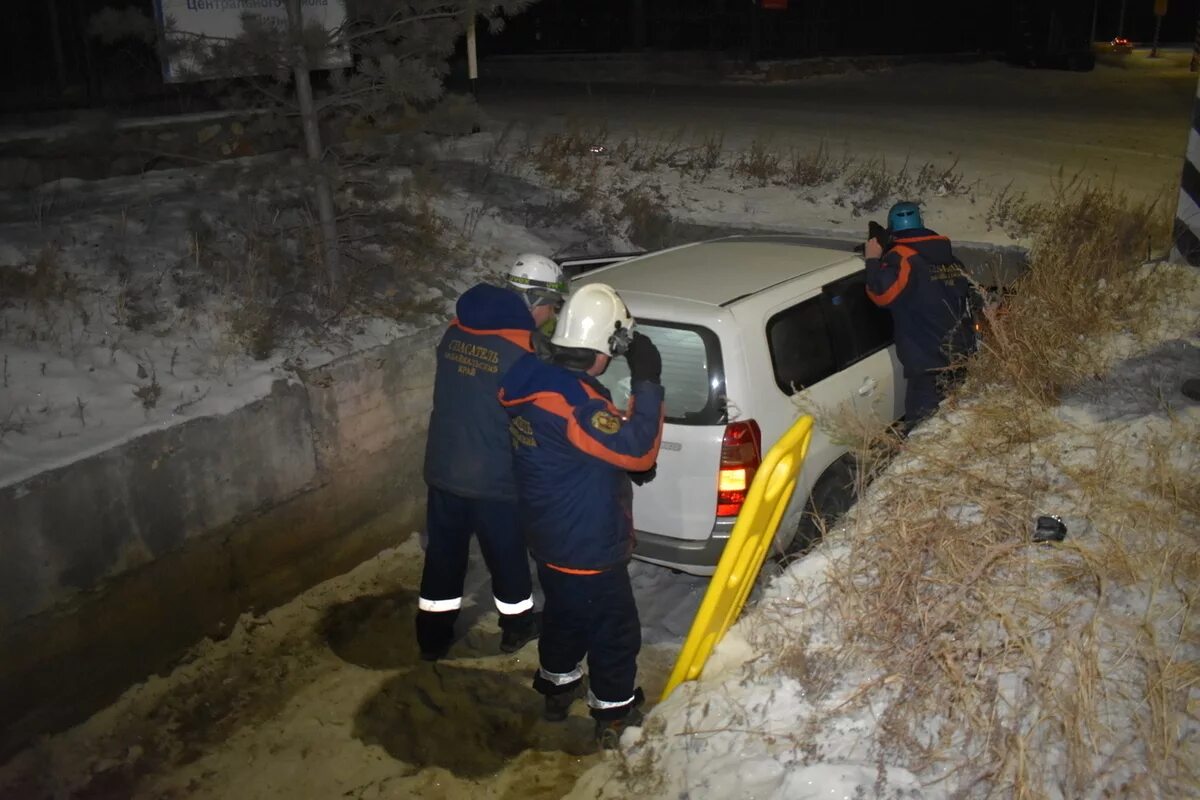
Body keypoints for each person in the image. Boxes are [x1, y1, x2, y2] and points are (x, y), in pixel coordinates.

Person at [497, 283, 664, 748]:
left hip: (550, 537)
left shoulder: (532, 379)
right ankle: (613, 713)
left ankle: (556, 687)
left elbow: (579, 449)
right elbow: (638, 450)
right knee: (613, 631)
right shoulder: (577, 406)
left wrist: (616, 458)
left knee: (565, 618)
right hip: (588, 545)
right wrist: (647, 381)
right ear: (606, 349)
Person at [416, 254, 567, 661]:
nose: (551, 316)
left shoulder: (455, 329)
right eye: (552, 307)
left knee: (443, 556)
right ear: (536, 301)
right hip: (493, 478)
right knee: (507, 556)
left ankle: (431, 637)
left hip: (444, 469)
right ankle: (517, 627)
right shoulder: (525, 351)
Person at [864, 201, 976, 428]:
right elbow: (971, 294)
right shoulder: (950, 259)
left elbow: (882, 294)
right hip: (960, 354)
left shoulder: (903, 257)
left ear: (892, 229)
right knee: (956, 425)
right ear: (923, 224)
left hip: (928, 363)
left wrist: (873, 259)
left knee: (924, 431)